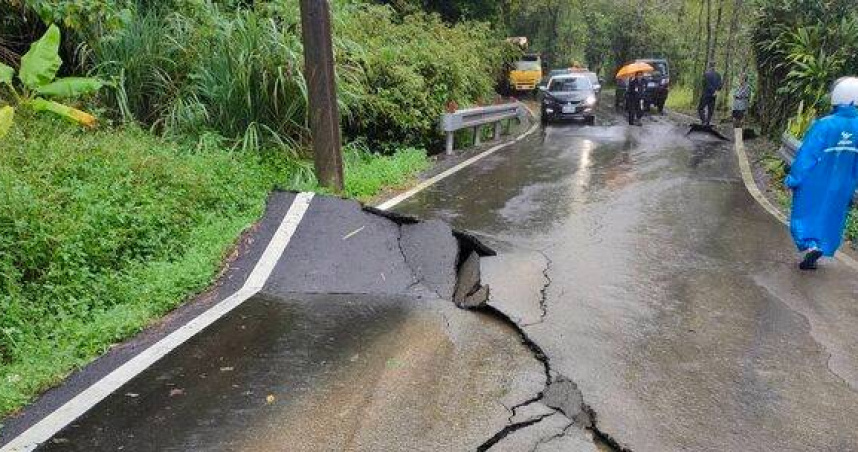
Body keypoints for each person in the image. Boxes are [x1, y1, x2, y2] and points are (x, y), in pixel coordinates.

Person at [786, 76, 858, 270]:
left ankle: (811, 245)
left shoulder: (824, 124)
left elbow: (807, 155)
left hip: (815, 180)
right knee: (830, 215)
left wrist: (793, 179)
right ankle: (819, 247)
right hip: (842, 183)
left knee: (805, 212)